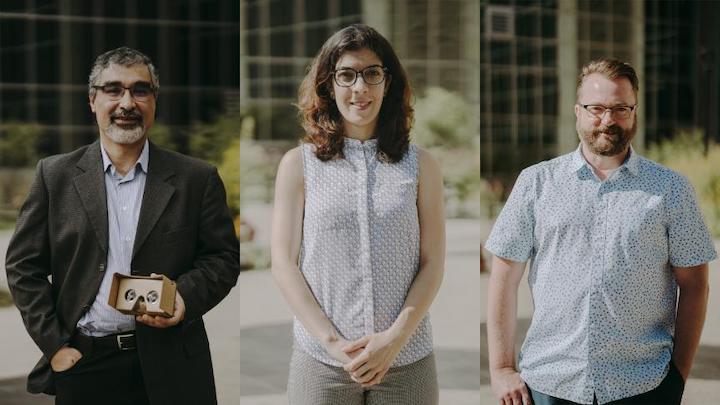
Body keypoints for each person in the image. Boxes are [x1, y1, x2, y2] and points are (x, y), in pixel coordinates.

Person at [5, 47, 239, 405]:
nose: (127, 102)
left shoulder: (197, 179)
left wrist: (183, 297)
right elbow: (23, 267)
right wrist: (55, 346)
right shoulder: (55, 176)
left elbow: (223, 258)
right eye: (113, 89)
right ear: (92, 100)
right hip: (85, 365)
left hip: (174, 365)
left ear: (154, 101)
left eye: (140, 90)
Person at [486, 58, 717, 405]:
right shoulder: (536, 183)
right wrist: (502, 368)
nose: (608, 120)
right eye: (597, 108)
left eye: (620, 108)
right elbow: (503, 278)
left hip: (644, 386)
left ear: (634, 111)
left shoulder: (670, 189)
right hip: (549, 384)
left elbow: (695, 284)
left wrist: (677, 378)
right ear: (577, 110)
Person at [271, 24, 445, 405]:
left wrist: (393, 339)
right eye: (346, 75)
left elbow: (433, 263)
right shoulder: (298, 165)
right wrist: (333, 344)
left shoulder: (422, 166)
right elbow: (284, 264)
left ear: (388, 82)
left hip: (406, 360)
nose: (360, 88)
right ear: (328, 86)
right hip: (322, 363)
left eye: (372, 74)